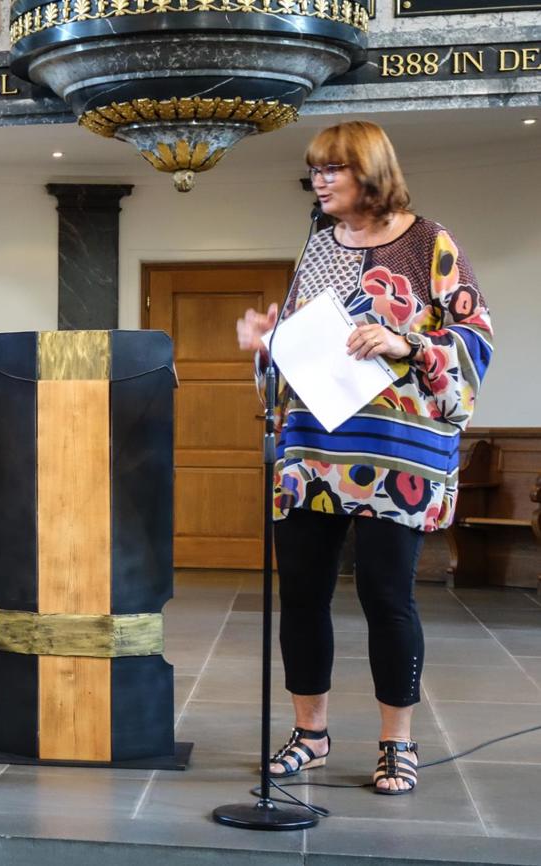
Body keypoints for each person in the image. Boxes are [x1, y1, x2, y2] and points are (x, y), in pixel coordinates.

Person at [235, 121, 492, 795]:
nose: (319, 181)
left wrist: (405, 343)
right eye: (315, 170)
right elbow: (301, 344)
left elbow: (475, 340)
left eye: (333, 170)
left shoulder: (429, 242)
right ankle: (310, 734)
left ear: (372, 174)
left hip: (396, 456)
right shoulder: (317, 247)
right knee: (302, 595)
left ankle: (396, 744)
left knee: (386, 597)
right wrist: (267, 343)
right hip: (312, 450)